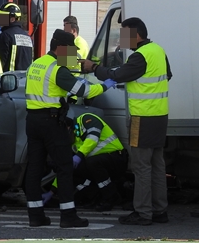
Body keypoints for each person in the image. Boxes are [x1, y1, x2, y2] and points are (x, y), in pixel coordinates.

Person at [81, 17, 172, 226]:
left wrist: (93, 67)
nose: (122, 39)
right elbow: (167, 76)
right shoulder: (158, 50)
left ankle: (143, 213)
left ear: (136, 35)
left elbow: (118, 74)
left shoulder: (140, 56)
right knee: (157, 165)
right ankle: (159, 210)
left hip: (142, 117)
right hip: (159, 116)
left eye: (125, 34)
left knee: (141, 167)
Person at [24, 29, 118, 228]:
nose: (73, 55)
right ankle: (68, 216)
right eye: (70, 51)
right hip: (51, 123)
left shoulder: (37, 64)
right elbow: (84, 90)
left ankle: (36, 216)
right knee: (65, 168)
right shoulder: (58, 69)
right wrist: (105, 85)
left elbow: (48, 89)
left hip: (33, 121)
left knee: (34, 169)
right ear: (59, 49)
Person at [69, 113, 128, 211]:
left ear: (68, 127)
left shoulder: (86, 119)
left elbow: (93, 138)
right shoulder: (74, 142)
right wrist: (52, 191)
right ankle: (95, 196)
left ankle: (111, 196)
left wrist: (79, 155)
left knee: (93, 162)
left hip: (117, 158)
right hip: (101, 164)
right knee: (72, 170)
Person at [0, 2, 32, 72]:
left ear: (12, 19)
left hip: (9, 79)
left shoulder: (5, 36)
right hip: (24, 79)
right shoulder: (27, 37)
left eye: (3, 17)